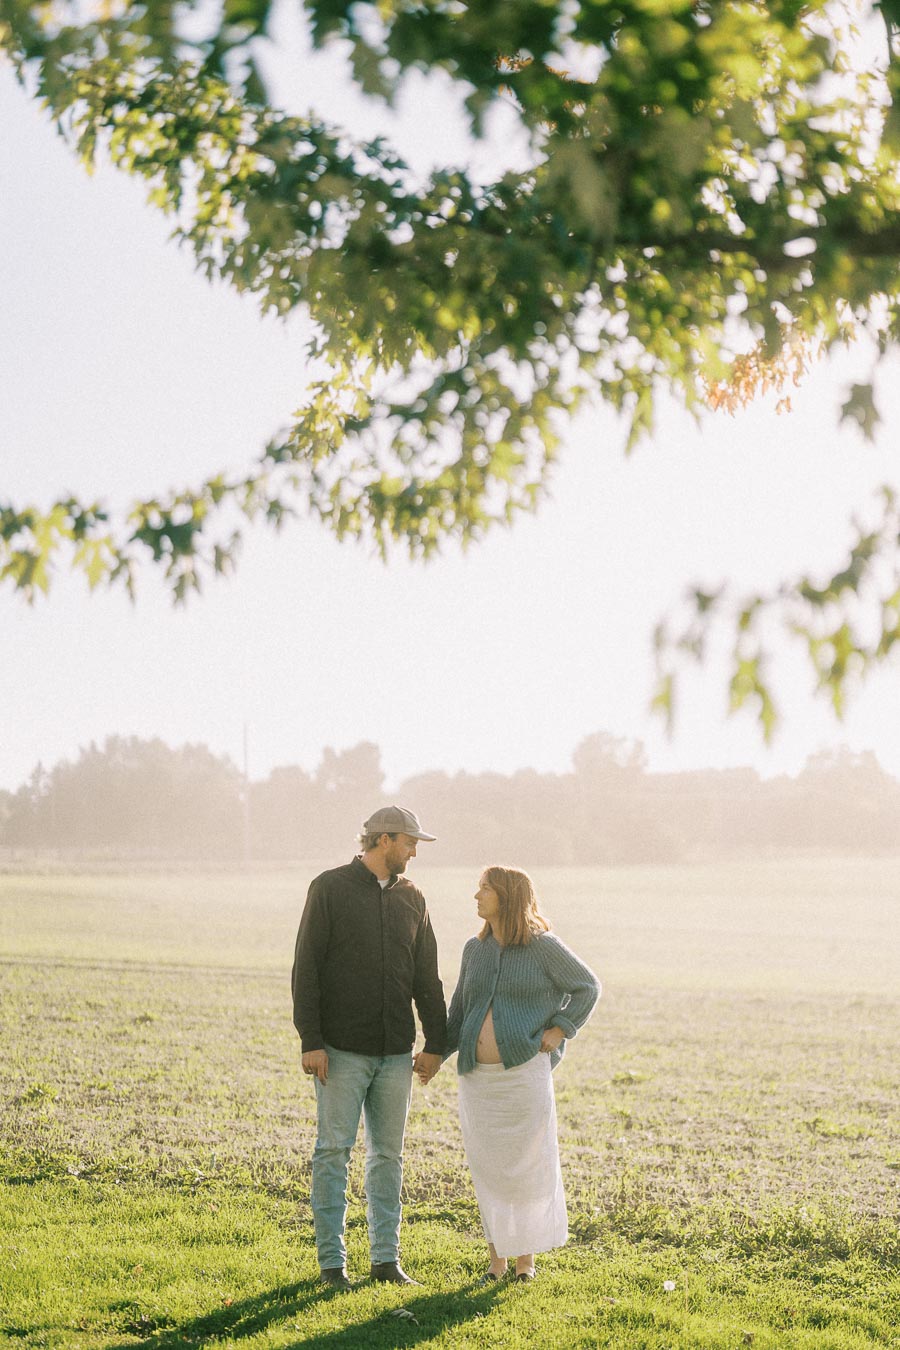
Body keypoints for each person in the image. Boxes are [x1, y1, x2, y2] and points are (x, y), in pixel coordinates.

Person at [292, 806, 447, 1292]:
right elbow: (307, 967)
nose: (415, 851)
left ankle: (385, 1261)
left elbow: (427, 977)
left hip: (395, 1053)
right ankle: (331, 1267)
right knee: (333, 1152)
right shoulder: (330, 888)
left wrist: (437, 1044)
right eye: (409, 842)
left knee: (388, 1157)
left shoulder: (413, 898)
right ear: (383, 839)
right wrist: (311, 1040)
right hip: (339, 1052)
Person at [436, 865, 600, 1284]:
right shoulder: (475, 951)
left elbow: (587, 986)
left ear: (506, 896)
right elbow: (459, 1011)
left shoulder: (542, 946)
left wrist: (560, 1028)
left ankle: (524, 1261)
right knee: (488, 1168)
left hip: (523, 1077)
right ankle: (497, 1261)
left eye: (484, 890)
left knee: (526, 1168)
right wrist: (436, 1053)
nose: (476, 896)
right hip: (478, 1081)